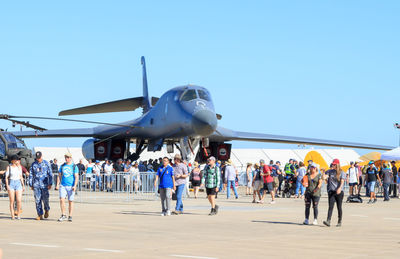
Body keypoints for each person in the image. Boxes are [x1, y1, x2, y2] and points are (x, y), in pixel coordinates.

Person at [29, 151, 53, 220]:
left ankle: (47, 209)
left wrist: (50, 183)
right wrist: (31, 184)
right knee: (37, 200)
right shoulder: (33, 164)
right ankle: (40, 214)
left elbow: (50, 174)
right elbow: (31, 174)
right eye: (37, 158)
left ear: (41, 156)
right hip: (36, 185)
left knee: (45, 199)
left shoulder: (46, 163)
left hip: (44, 185)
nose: (38, 159)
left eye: (39, 158)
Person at [56, 152, 79, 222]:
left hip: (71, 186)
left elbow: (76, 177)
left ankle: (70, 215)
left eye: (68, 157)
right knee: (62, 199)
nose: (67, 158)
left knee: (70, 201)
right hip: (63, 185)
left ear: (70, 158)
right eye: (66, 157)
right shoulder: (62, 166)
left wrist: (75, 185)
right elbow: (59, 175)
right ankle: (63, 214)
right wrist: (57, 184)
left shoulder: (74, 166)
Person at [323, 159, 346, 227]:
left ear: (337, 165)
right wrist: (323, 173)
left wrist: (339, 188)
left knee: (339, 207)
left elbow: (342, 181)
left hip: (339, 192)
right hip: (331, 191)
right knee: (330, 206)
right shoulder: (330, 171)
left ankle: (339, 221)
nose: (332, 165)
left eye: (334, 164)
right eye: (332, 164)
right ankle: (328, 221)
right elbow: (324, 177)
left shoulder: (342, 172)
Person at [5, 155, 25, 220]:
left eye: (17, 160)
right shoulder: (9, 167)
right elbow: (6, 177)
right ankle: (12, 215)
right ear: (12, 160)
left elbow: (21, 176)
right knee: (12, 201)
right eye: (15, 160)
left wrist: (23, 185)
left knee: (19, 200)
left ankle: (18, 214)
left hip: (18, 183)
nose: (17, 161)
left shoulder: (19, 167)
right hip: (11, 182)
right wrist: (7, 185)